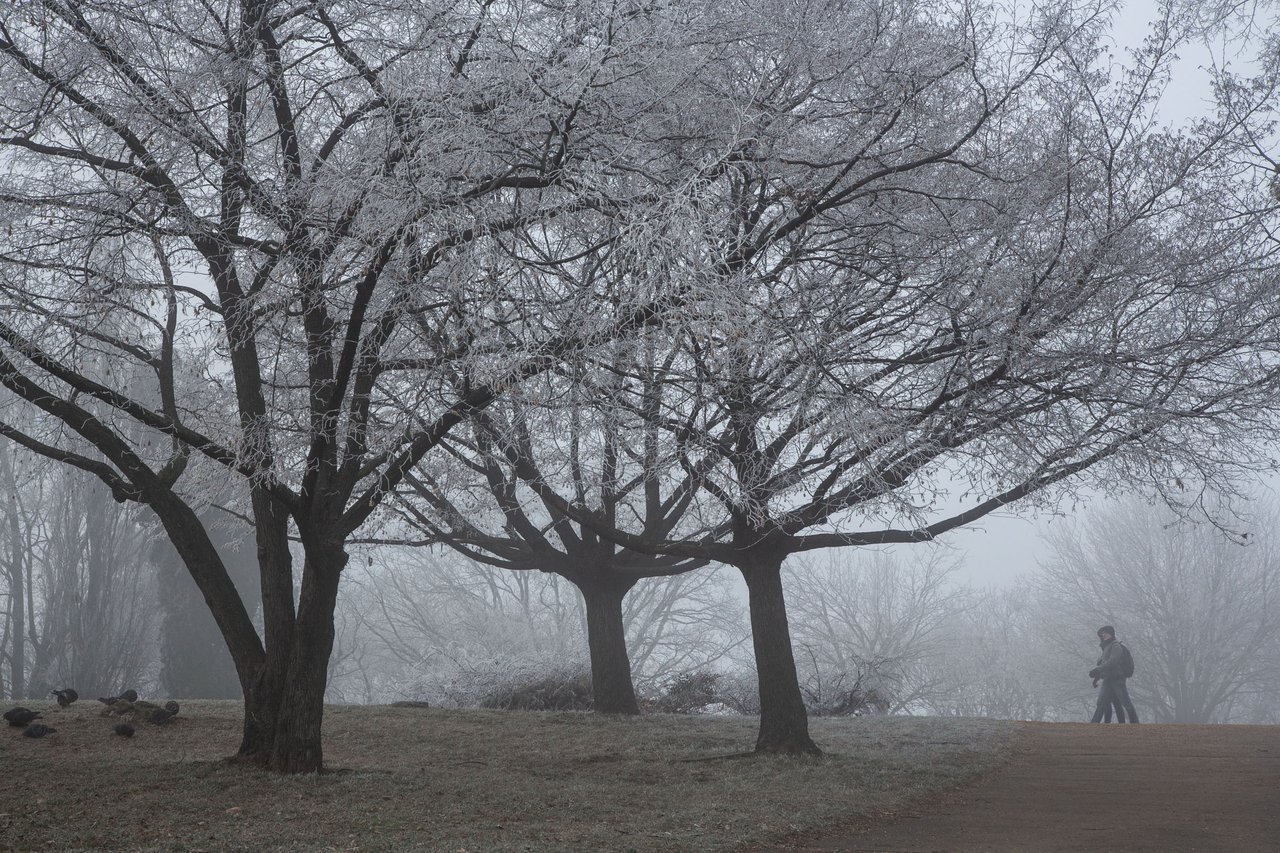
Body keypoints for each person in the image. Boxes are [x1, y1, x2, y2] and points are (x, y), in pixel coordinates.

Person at [1089, 625, 1139, 724]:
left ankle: (1135, 723)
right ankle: (1094, 724)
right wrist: (1097, 678)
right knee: (1101, 702)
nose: (1103, 635)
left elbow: (1113, 661)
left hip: (1117, 679)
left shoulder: (1115, 645)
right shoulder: (1106, 647)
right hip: (1107, 680)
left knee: (1125, 702)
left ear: (1111, 634)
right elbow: (1104, 665)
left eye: (1105, 633)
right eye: (1102, 634)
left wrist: (1097, 669)